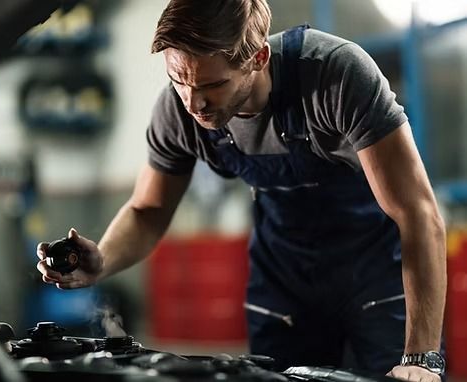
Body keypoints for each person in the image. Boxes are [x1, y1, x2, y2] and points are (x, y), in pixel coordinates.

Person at [36, 1, 447, 380]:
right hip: (283, 286)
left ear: (258, 58)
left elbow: (417, 213)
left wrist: (421, 358)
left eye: (212, 85)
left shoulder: (335, 76)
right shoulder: (178, 111)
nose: (194, 103)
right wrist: (102, 260)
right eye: (178, 80)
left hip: (377, 279)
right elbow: (148, 209)